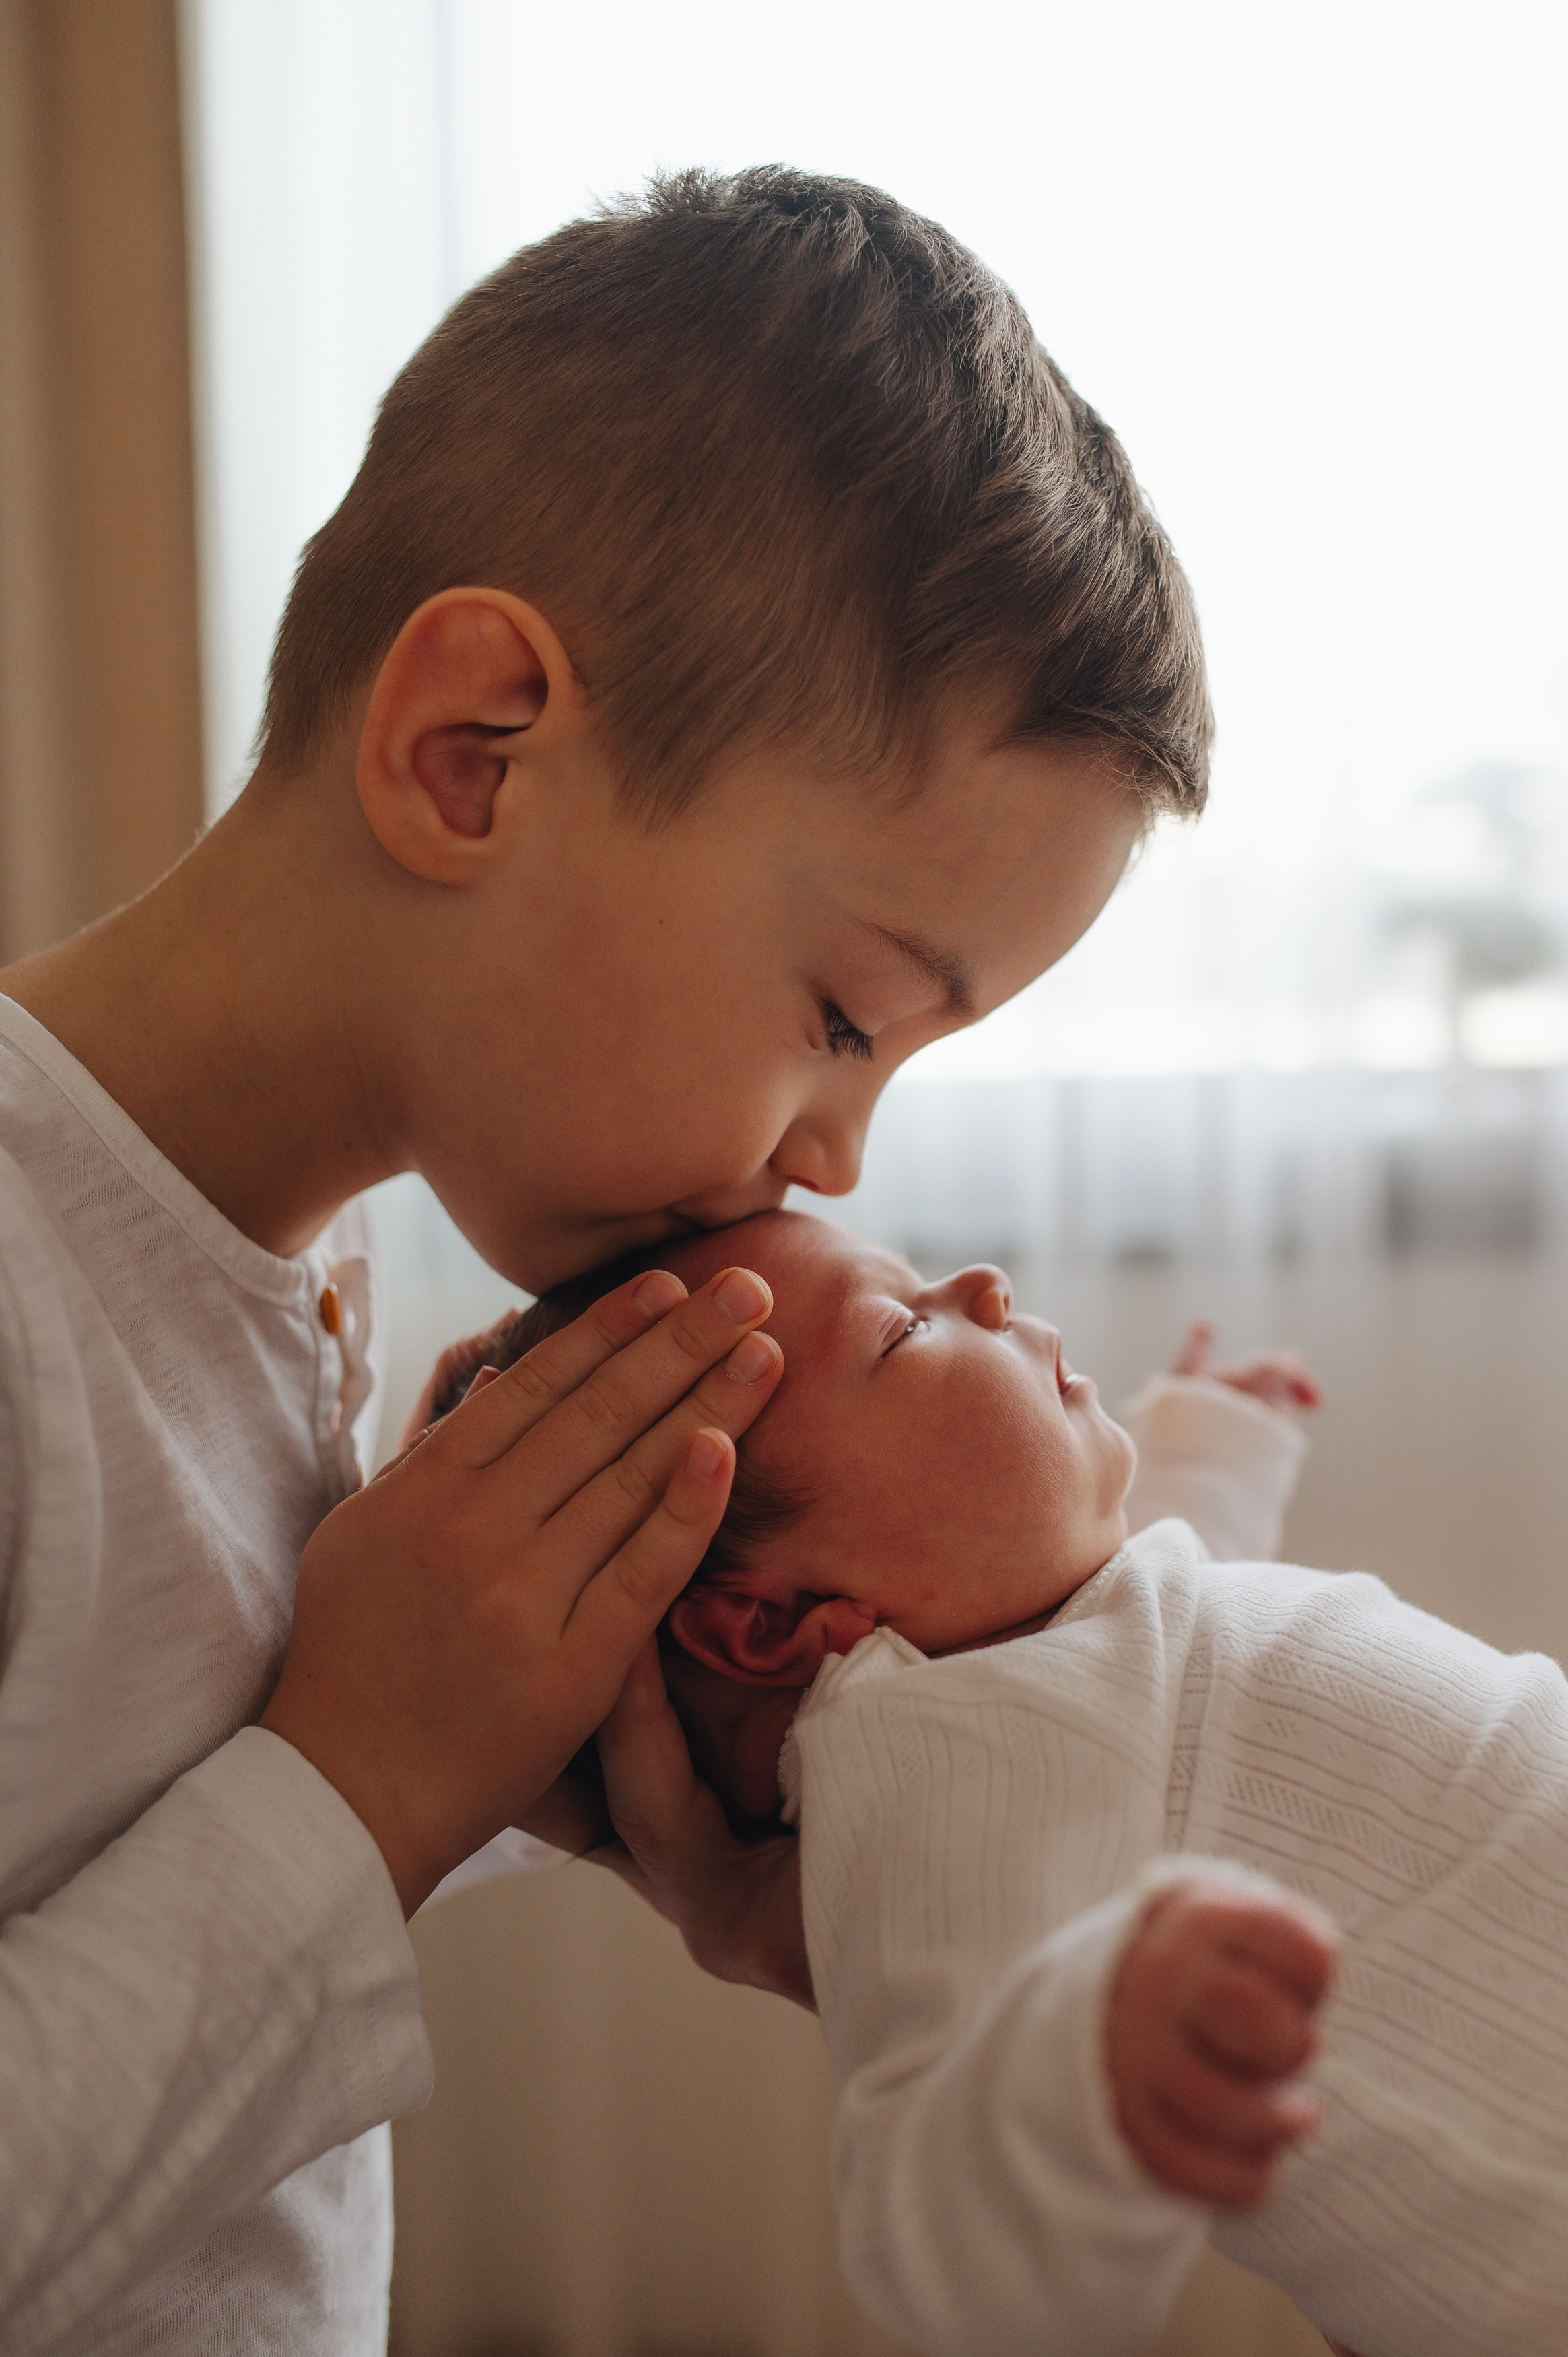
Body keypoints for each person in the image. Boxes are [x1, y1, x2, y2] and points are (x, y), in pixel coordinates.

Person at [0, 168, 1210, 2353]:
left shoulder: (293, 1265)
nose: (837, 1156)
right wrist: (358, 1790)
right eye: (845, 1016)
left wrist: (535, 1771)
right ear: (474, 758)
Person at [496, 1209, 1568, 2357]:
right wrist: (1078, 2061)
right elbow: (938, 2231)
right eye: (902, 1330)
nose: (987, 1286)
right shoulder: (932, 1746)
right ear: (776, 1620)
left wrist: (1206, 1452)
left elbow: (1172, 1706)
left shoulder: (1045, 1663)